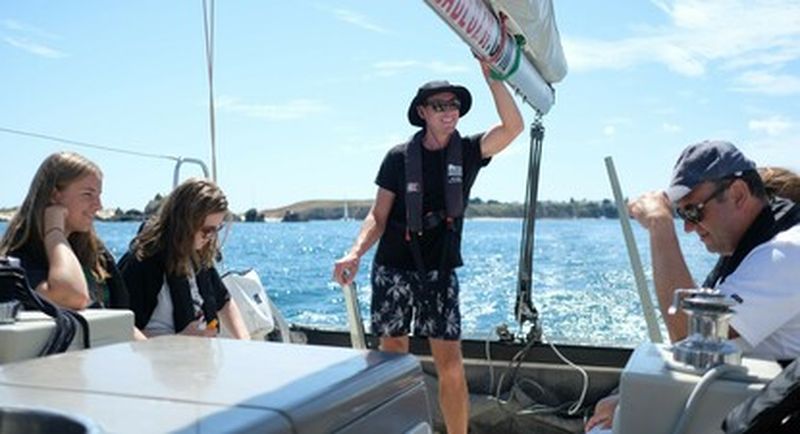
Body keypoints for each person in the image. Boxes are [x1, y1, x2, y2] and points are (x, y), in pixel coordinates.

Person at [332, 62, 523, 434]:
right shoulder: (397, 158)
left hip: (441, 270)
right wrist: (355, 252)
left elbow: (513, 128)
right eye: (439, 105)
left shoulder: (468, 151)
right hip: (394, 268)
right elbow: (378, 216)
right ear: (422, 113)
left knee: (450, 362)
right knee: (393, 357)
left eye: (453, 104)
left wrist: (493, 78)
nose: (449, 111)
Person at [585, 142, 800, 432]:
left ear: (737, 194)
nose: (688, 227)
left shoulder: (786, 253)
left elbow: (689, 332)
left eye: (694, 212)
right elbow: (691, 342)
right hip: (742, 402)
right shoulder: (745, 250)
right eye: (681, 215)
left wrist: (661, 225)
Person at [0, 151, 146, 340]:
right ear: (54, 195)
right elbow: (72, 297)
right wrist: (54, 232)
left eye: (99, 195)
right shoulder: (18, 262)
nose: (98, 205)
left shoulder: (97, 255)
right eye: (88, 194)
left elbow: (124, 323)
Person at [118, 178, 249, 340]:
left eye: (217, 229)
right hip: (160, 360)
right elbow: (121, 329)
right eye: (207, 230)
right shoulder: (142, 263)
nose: (211, 237)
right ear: (184, 223)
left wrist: (245, 343)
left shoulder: (198, 257)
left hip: (199, 356)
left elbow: (224, 301)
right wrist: (179, 340)